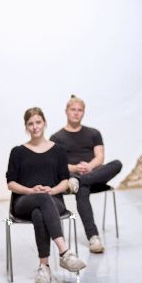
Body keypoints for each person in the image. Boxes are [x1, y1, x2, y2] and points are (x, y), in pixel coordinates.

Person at [6, 107, 86, 283]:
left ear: (44, 123)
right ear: (26, 127)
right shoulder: (17, 151)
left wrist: (52, 191)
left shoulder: (58, 150)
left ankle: (44, 267)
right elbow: (11, 183)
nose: (35, 127)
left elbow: (65, 181)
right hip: (23, 201)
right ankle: (65, 252)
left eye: (38, 122)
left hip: (53, 199)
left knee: (39, 212)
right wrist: (31, 191)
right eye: (30, 124)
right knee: (41, 199)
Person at [50, 95, 122, 253]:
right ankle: (93, 237)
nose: (76, 113)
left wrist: (89, 167)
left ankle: (80, 180)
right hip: (70, 176)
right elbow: (56, 165)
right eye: (73, 109)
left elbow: (100, 158)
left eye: (80, 110)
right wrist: (75, 168)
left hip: (93, 175)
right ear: (66, 111)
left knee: (117, 164)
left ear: (84, 112)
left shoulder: (94, 133)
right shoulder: (56, 138)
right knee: (82, 190)